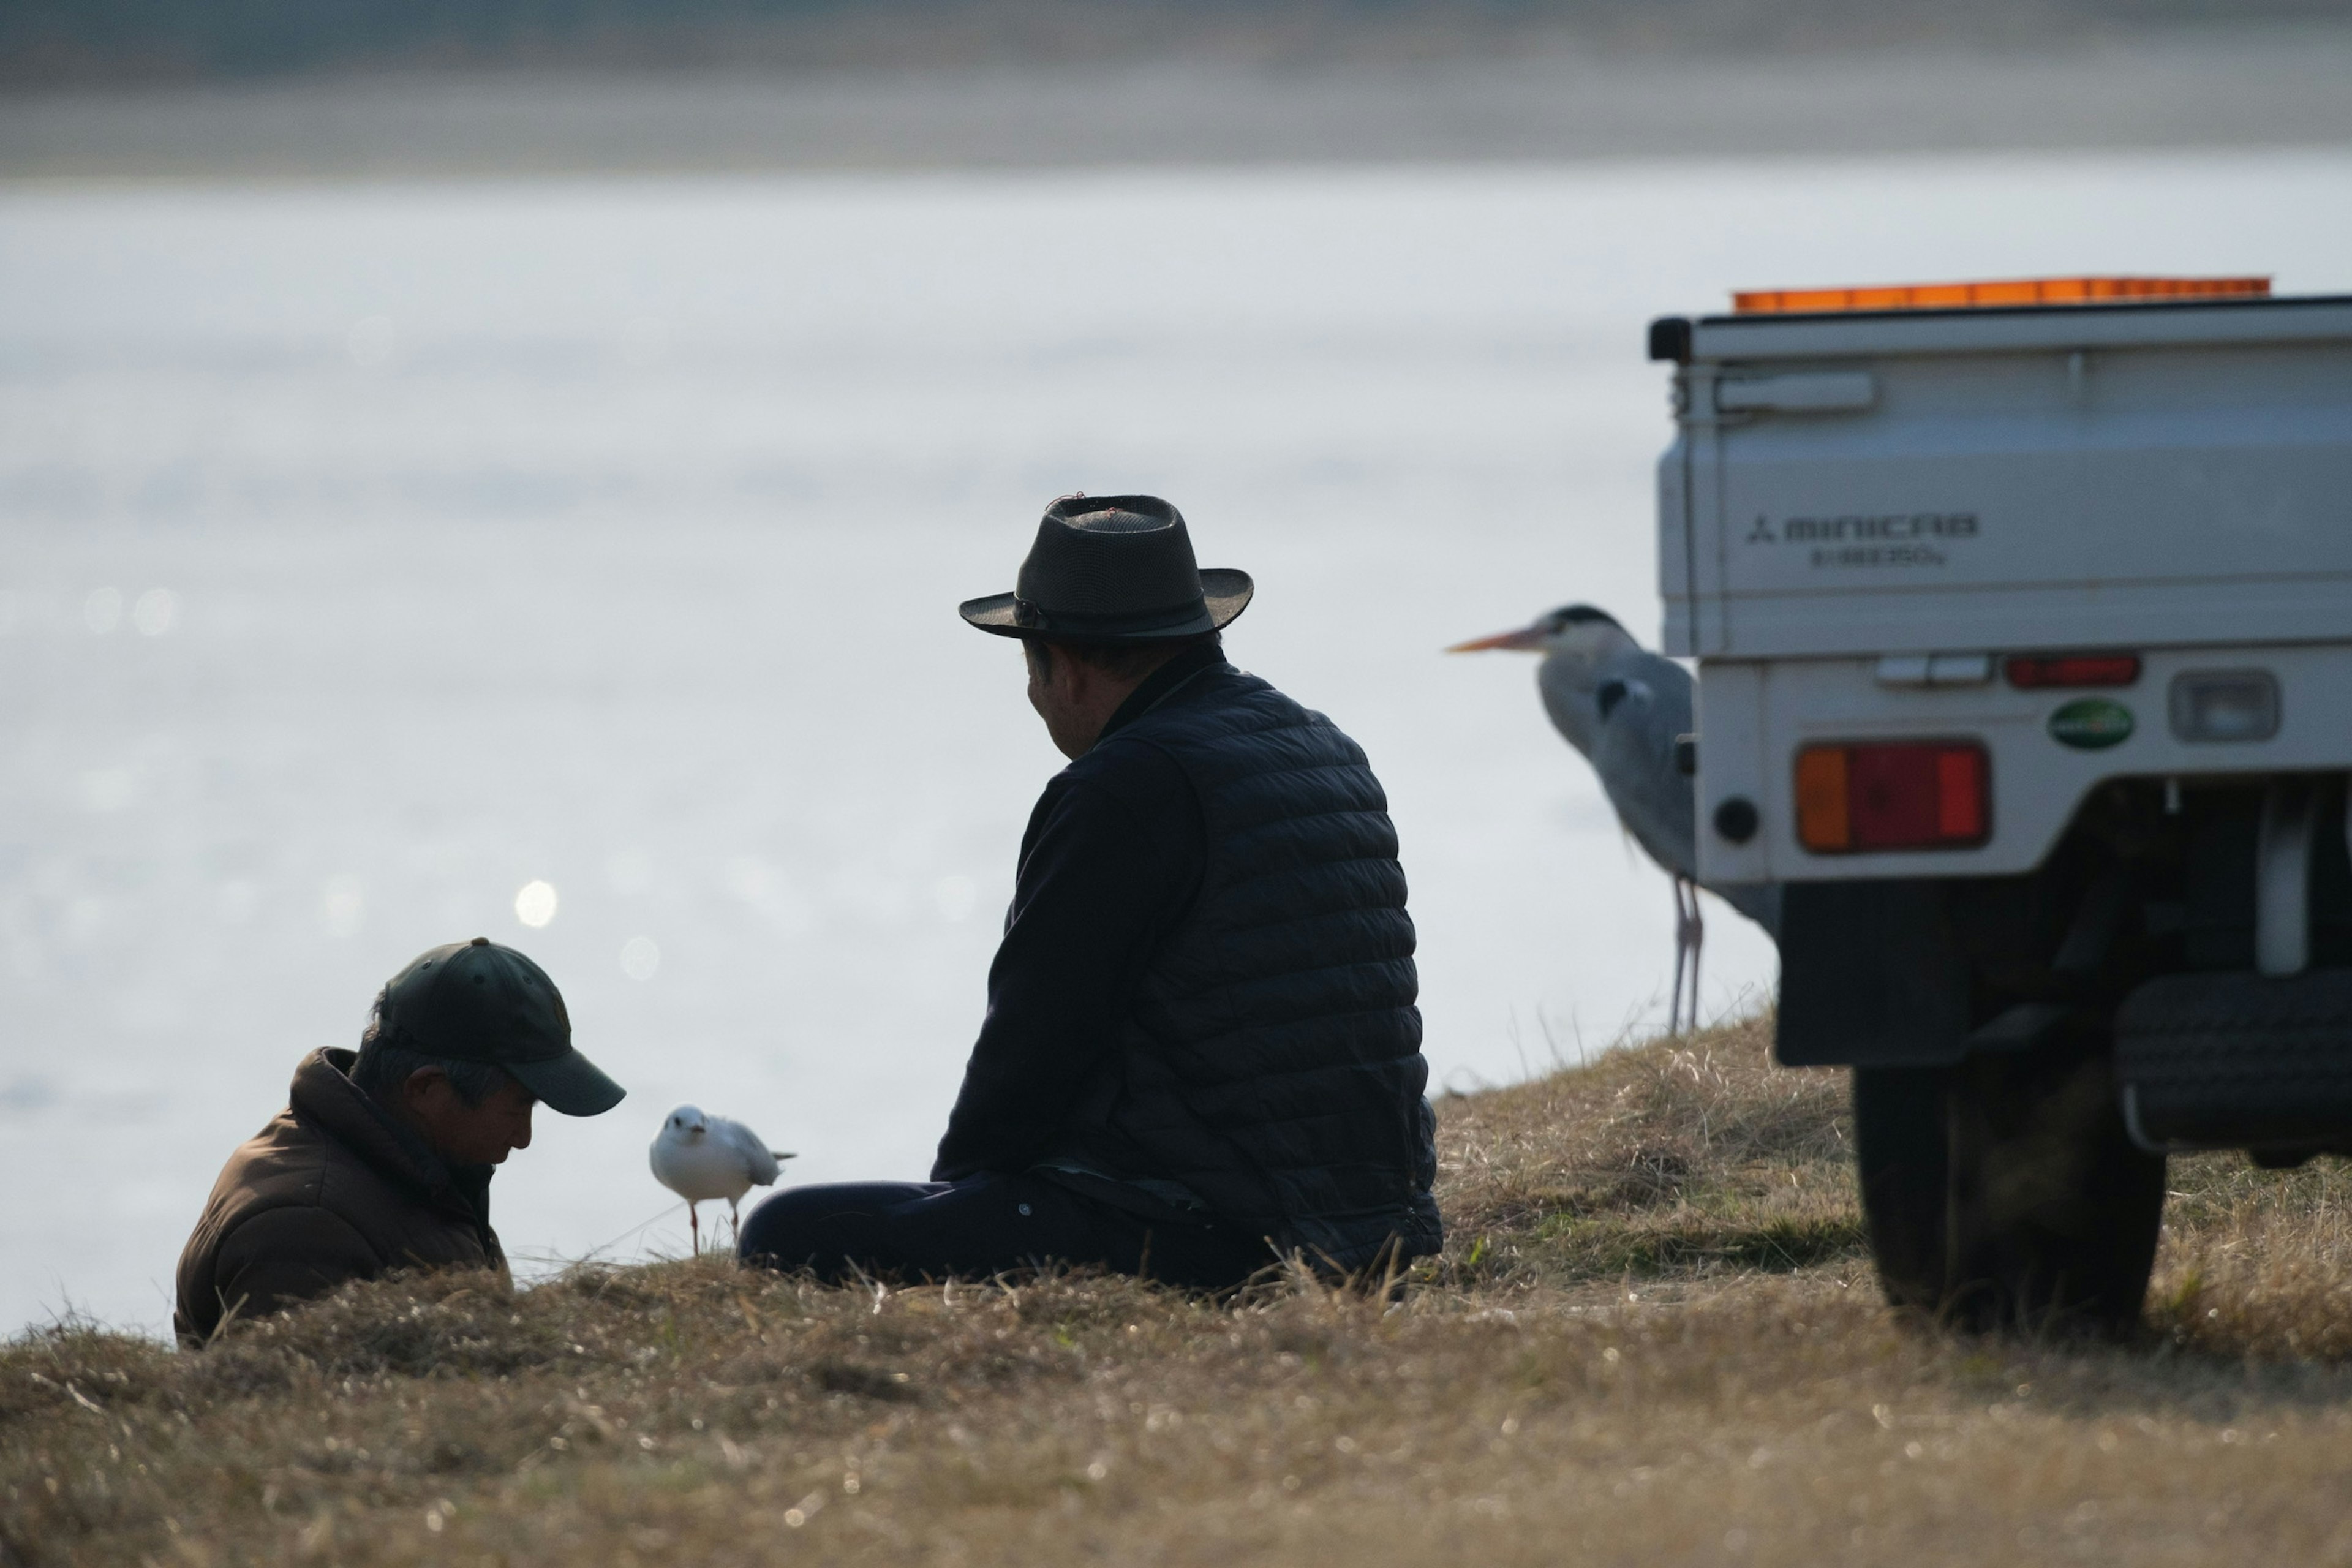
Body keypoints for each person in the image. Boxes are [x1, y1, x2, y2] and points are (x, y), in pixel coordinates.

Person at [739, 493, 1441, 1289]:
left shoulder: (1125, 788)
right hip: (1379, 1225)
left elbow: (1035, 1047)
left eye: (1028, 670)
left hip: (1220, 1233)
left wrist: (963, 1205)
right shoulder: (1322, 745)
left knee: (786, 1232)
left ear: (1064, 667)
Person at [173, 938, 625, 1343]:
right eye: (519, 1106)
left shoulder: (423, 1168)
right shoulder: (307, 1228)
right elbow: (285, 1419)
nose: (523, 1138)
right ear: (426, 1090)